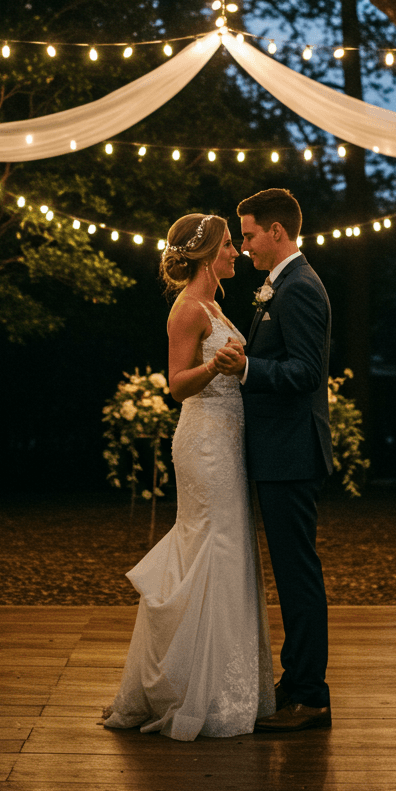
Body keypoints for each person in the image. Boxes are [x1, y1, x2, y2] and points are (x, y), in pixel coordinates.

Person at [103, 213, 274, 741]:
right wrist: (217, 367)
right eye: (228, 245)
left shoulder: (215, 304)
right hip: (203, 442)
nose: (236, 252)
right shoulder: (186, 310)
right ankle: (194, 689)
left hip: (228, 441)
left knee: (228, 549)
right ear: (205, 255)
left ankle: (226, 682)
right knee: (211, 548)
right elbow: (177, 386)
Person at [214, 187, 334, 733]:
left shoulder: (299, 287)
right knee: (290, 575)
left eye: (250, 235)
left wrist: (246, 371)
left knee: (298, 576)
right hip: (277, 452)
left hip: (290, 453)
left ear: (277, 232)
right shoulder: (279, 286)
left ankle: (310, 696)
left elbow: (307, 372)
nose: (245, 247)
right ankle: (296, 684)